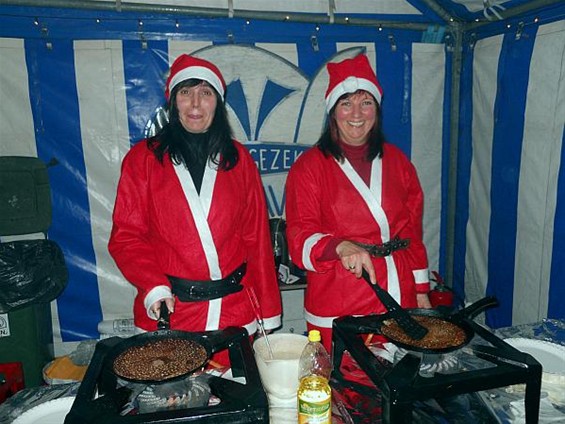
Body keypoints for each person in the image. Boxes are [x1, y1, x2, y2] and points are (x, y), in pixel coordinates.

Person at [108, 54, 282, 366]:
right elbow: (127, 237)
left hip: (234, 311)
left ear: (218, 101)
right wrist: (152, 286)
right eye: (186, 93)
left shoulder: (239, 159)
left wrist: (268, 313)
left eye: (206, 93)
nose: (196, 105)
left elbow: (257, 240)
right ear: (173, 102)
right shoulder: (142, 160)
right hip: (170, 310)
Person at [285, 53, 432, 352]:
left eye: (366, 102)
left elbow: (411, 232)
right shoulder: (309, 167)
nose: (357, 113)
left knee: (397, 380)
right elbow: (299, 236)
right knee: (345, 387)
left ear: (376, 110)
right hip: (340, 293)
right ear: (332, 111)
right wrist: (340, 246)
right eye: (346, 103)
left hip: (397, 289)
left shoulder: (398, 161)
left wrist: (420, 291)